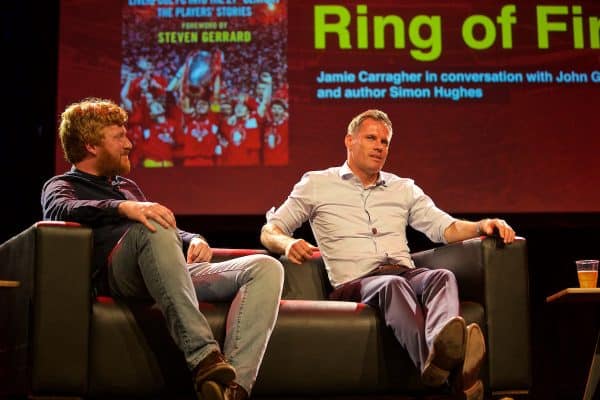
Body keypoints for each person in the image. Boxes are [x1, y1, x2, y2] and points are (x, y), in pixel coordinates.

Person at [260, 109, 516, 400]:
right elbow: (271, 230)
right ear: (349, 141)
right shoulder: (317, 184)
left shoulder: (402, 187)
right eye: (371, 138)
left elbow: (444, 227)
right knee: (391, 285)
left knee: (441, 277)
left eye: (385, 141)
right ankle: (448, 381)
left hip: (405, 272)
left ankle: (440, 355)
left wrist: (483, 224)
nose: (380, 146)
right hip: (354, 283)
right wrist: (287, 244)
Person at [41, 98, 284, 400]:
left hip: (161, 270)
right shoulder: (61, 185)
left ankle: (233, 390)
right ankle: (203, 357)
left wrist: (192, 238)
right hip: (120, 275)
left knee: (265, 266)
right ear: (91, 145)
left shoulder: (127, 186)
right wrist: (124, 207)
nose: (129, 143)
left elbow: (163, 228)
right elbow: (62, 210)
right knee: (150, 226)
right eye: (119, 137)